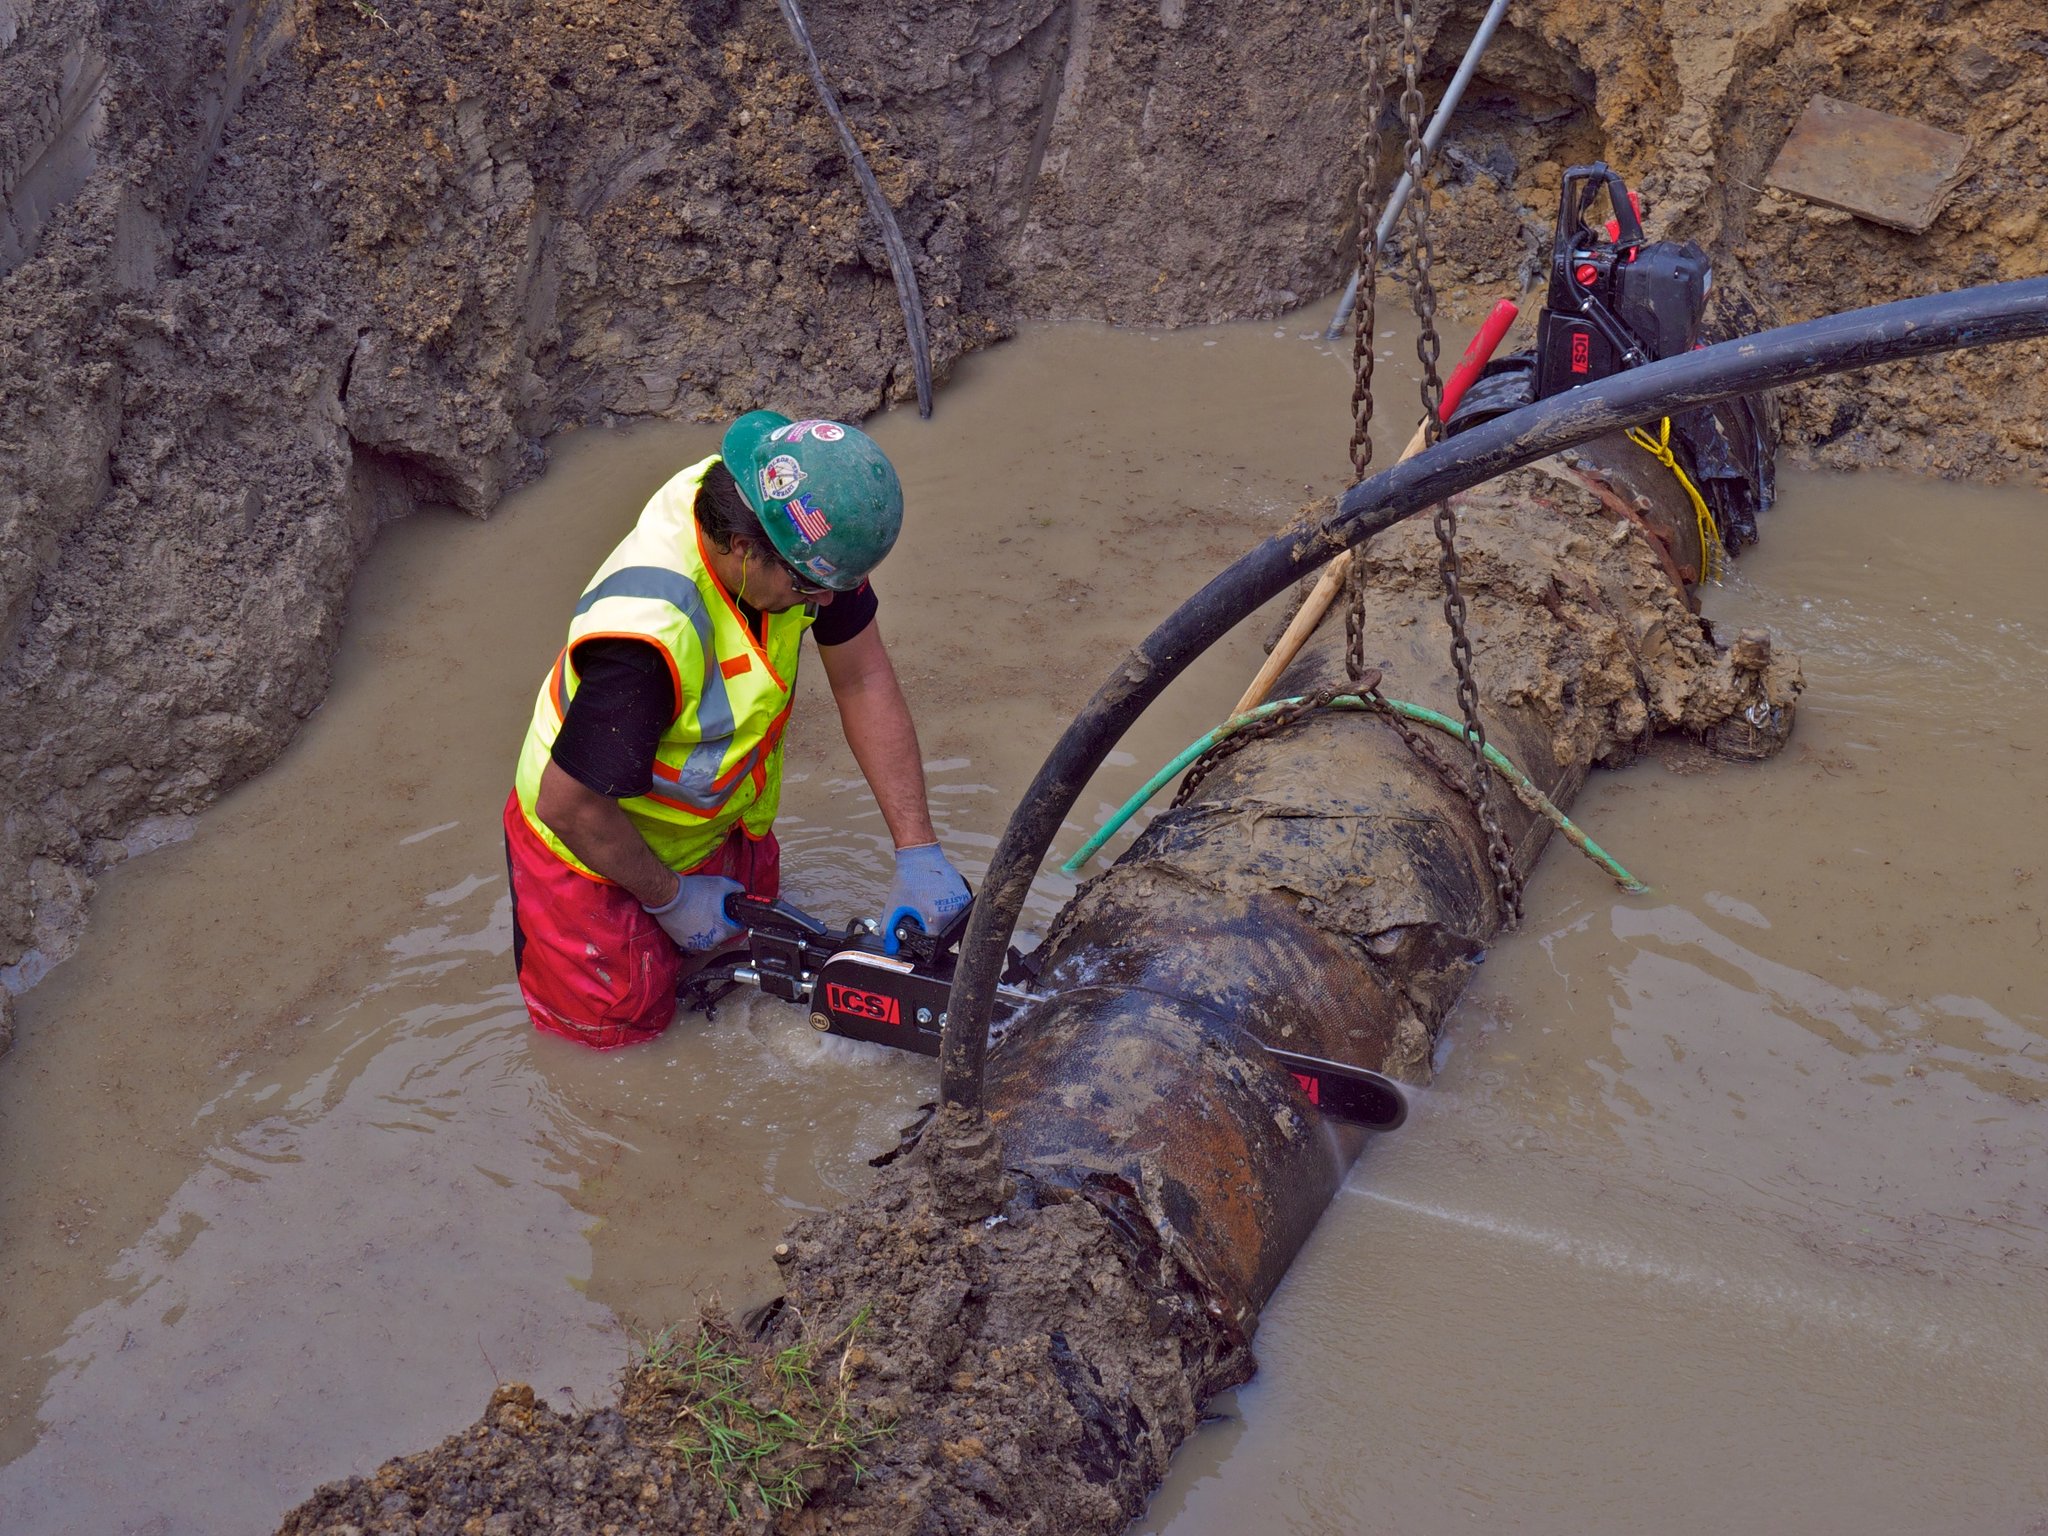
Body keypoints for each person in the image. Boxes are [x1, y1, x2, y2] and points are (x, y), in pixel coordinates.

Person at [502, 410, 970, 1049]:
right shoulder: (646, 640)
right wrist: (669, 899)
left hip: (715, 814)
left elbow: (861, 678)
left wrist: (918, 850)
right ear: (745, 549)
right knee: (616, 1037)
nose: (827, 602)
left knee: (731, 971)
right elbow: (569, 805)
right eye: (813, 585)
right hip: (588, 845)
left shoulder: (786, 520)